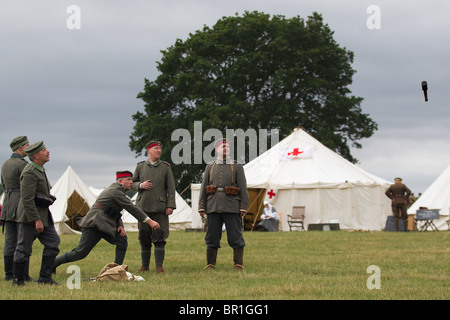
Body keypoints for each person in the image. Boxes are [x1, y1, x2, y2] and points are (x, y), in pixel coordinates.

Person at [53, 171, 160, 271]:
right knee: (80, 253)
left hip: (104, 224)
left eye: (131, 180)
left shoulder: (119, 191)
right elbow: (131, 208)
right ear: (120, 181)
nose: (131, 182)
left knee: (122, 240)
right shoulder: (115, 191)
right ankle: (53, 263)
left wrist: (120, 225)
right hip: (94, 224)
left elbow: (115, 211)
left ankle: (116, 270)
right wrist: (149, 221)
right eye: (128, 179)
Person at [13, 141, 60, 285]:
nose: (48, 151)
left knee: (53, 243)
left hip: (43, 215)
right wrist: (36, 220)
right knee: (23, 250)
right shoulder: (29, 172)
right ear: (36, 155)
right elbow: (27, 199)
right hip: (30, 217)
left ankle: (45, 278)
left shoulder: (39, 169)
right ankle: (18, 280)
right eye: (44, 150)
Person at [198, 138, 249, 270]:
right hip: (213, 206)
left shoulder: (237, 166)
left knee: (235, 236)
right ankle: (210, 264)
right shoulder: (210, 166)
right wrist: (201, 206)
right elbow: (204, 187)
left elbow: (243, 188)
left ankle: (238, 263)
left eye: (227, 147)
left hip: (232, 206)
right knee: (212, 236)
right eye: (223, 147)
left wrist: (243, 207)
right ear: (217, 149)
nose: (226, 148)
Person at [132, 140, 176, 273]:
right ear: (149, 150)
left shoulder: (166, 167)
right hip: (143, 208)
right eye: (156, 148)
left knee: (159, 238)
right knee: (144, 238)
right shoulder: (140, 167)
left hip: (160, 209)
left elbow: (171, 188)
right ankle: (145, 266)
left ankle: (159, 266)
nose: (159, 150)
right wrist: (140, 185)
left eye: (160, 148)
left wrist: (170, 206)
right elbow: (132, 183)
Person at [1, 136, 34, 281]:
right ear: (20, 147)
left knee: (9, 240)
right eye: (27, 145)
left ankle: (9, 274)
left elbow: (3, 184)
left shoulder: (5, 164)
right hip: (20, 202)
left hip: (7, 204)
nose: (29, 147)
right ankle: (22, 274)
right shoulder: (23, 165)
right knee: (23, 240)